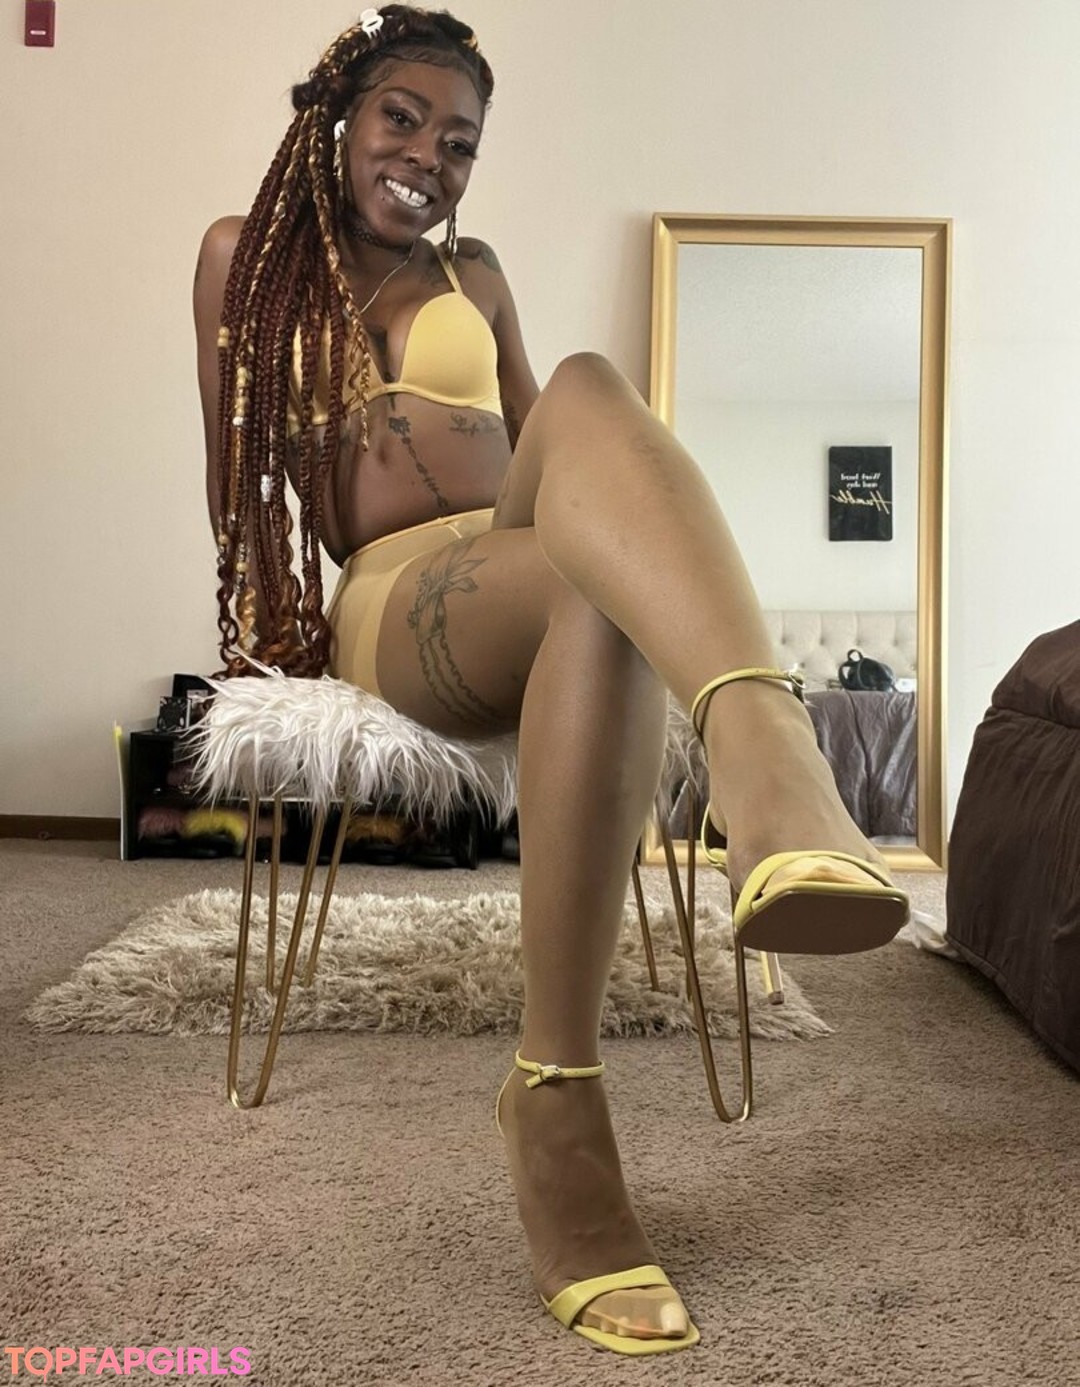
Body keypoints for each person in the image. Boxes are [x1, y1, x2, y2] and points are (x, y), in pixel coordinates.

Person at [193, 4, 909, 1357]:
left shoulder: (478, 275)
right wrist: (267, 614)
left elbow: (558, 447)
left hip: (517, 532)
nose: (429, 156)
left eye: (460, 142)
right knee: (596, 591)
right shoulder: (246, 257)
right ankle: (573, 1086)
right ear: (340, 118)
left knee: (585, 387)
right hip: (396, 591)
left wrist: (581, 492)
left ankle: (751, 763)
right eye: (403, 119)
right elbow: (231, 476)